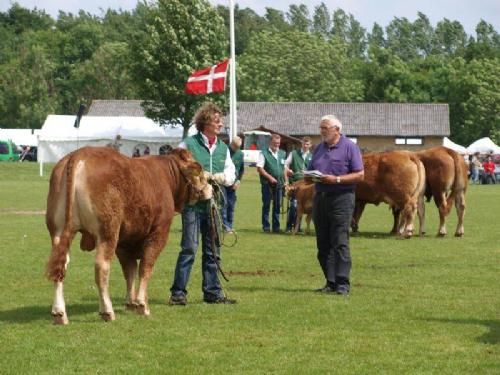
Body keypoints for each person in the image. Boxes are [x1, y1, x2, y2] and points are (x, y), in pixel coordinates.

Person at [169, 102, 236, 305]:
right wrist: (197, 175)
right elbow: (175, 166)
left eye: (220, 121)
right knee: (189, 248)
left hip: (214, 204)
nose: (220, 124)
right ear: (205, 122)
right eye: (217, 120)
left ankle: (212, 292)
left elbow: (231, 173)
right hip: (192, 205)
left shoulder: (223, 148)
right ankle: (178, 293)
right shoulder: (187, 144)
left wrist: (220, 178)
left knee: (213, 249)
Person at [308, 115, 364, 296]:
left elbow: (360, 174)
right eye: (320, 128)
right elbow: (310, 170)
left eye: (325, 128)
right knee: (323, 243)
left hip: (342, 198)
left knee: (340, 241)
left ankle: (342, 284)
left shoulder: (350, 147)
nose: (322, 131)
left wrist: (337, 179)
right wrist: (308, 176)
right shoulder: (319, 149)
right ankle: (330, 282)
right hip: (321, 197)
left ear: (336, 129)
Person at [256, 134, 286, 233]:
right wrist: (270, 177)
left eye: (278, 143)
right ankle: (266, 227)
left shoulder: (282, 153)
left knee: (277, 206)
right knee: (267, 205)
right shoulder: (263, 153)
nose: (276, 145)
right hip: (267, 184)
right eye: (274, 143)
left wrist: (286, 179)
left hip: (279, 184)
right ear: (270, 142)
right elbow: (260, 168)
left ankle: (276, 227)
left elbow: (284, 168)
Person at [284, 137, 313, 233]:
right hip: (295, 184)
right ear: (301, 144)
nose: (305, 146)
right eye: (304, 144)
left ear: (310, 145)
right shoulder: (294, 153)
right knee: (294, 206)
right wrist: (288, 170)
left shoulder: (312, 156)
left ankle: (298, 227)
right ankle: (289, 227)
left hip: (307, 185)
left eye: (307, 144)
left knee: (305, 207)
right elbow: (285, 165)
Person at [221, 136, 244, 233]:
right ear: (231, 144)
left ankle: (230, 225)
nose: (236, 149)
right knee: (223, 204)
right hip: (223, 182)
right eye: (235, 146)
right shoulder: (223, 151)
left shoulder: (240, 154)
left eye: (239, 147)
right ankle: (225, 225)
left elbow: (241, 169)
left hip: (233, 184)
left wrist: (238, 181)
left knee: (231, 205)